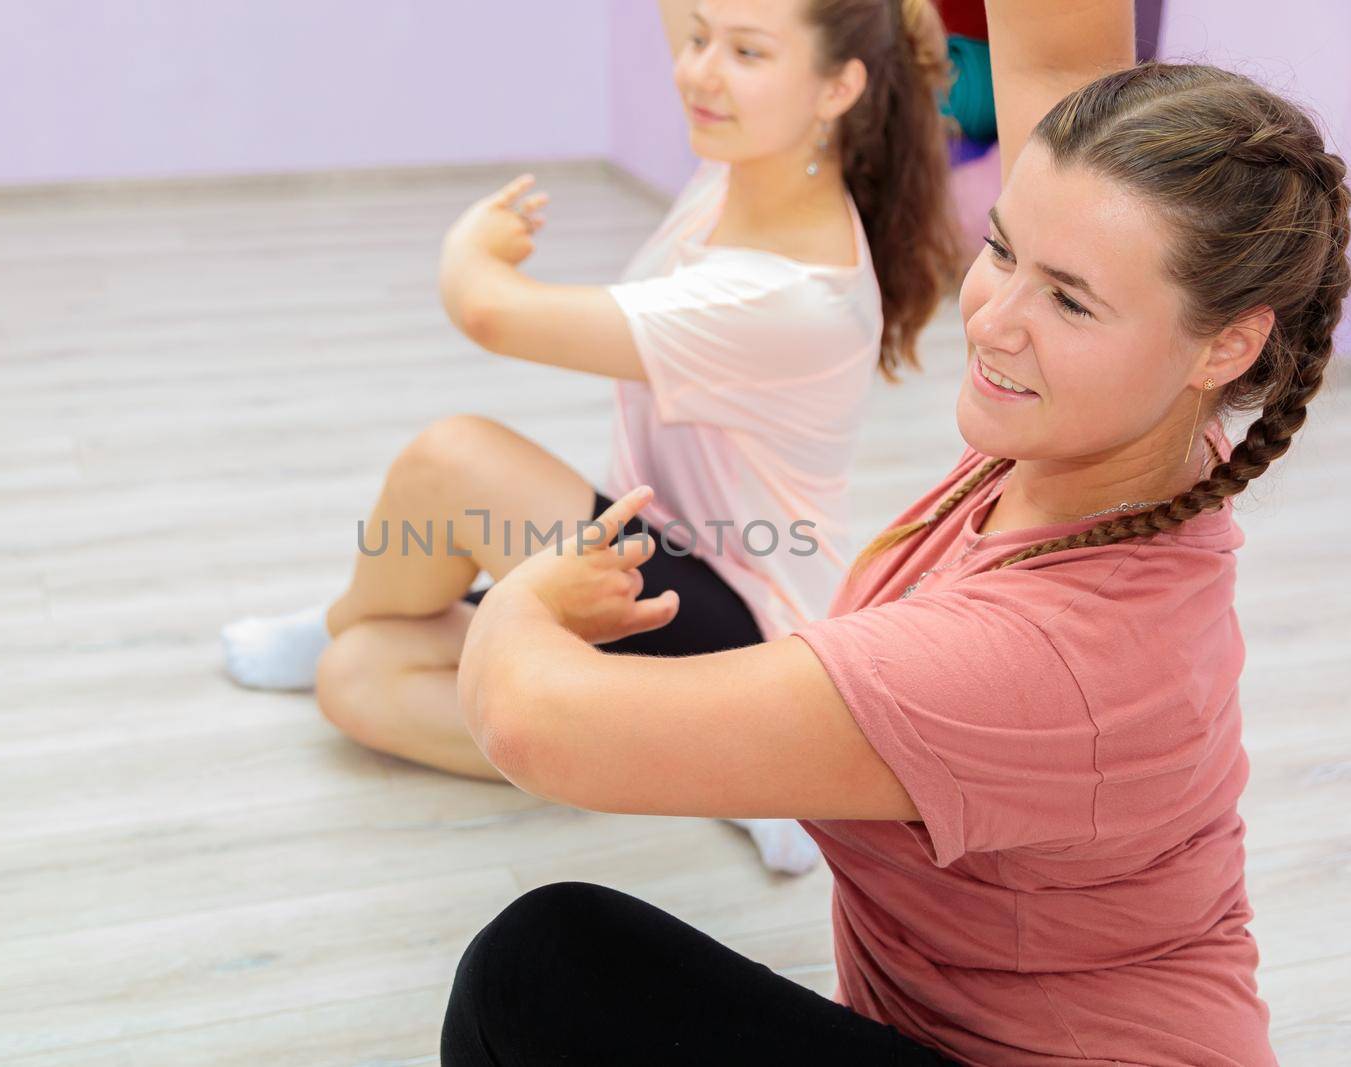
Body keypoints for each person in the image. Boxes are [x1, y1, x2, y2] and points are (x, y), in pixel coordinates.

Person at [438, 0, 1351, 1062]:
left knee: (541, 963)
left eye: (1067, 301)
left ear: (1226, 347)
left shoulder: (1039, 658)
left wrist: (521, 596)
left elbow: (530, 721)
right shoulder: (1125, 428)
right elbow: (1057, 47)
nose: (995, 316)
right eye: (1003, 250)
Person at [219, 0, 958, 874]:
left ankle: (721, 756)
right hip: (652, 560)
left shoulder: (787, 298)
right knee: (358, 679)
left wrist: (470, 246)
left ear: (838, 87)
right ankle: (662, 753)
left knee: (451, 461)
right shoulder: (743, 168)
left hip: (740, 621)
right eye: (698, 40)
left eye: (747, 51)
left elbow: (491, 311)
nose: (700, 71)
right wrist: (731, 36)